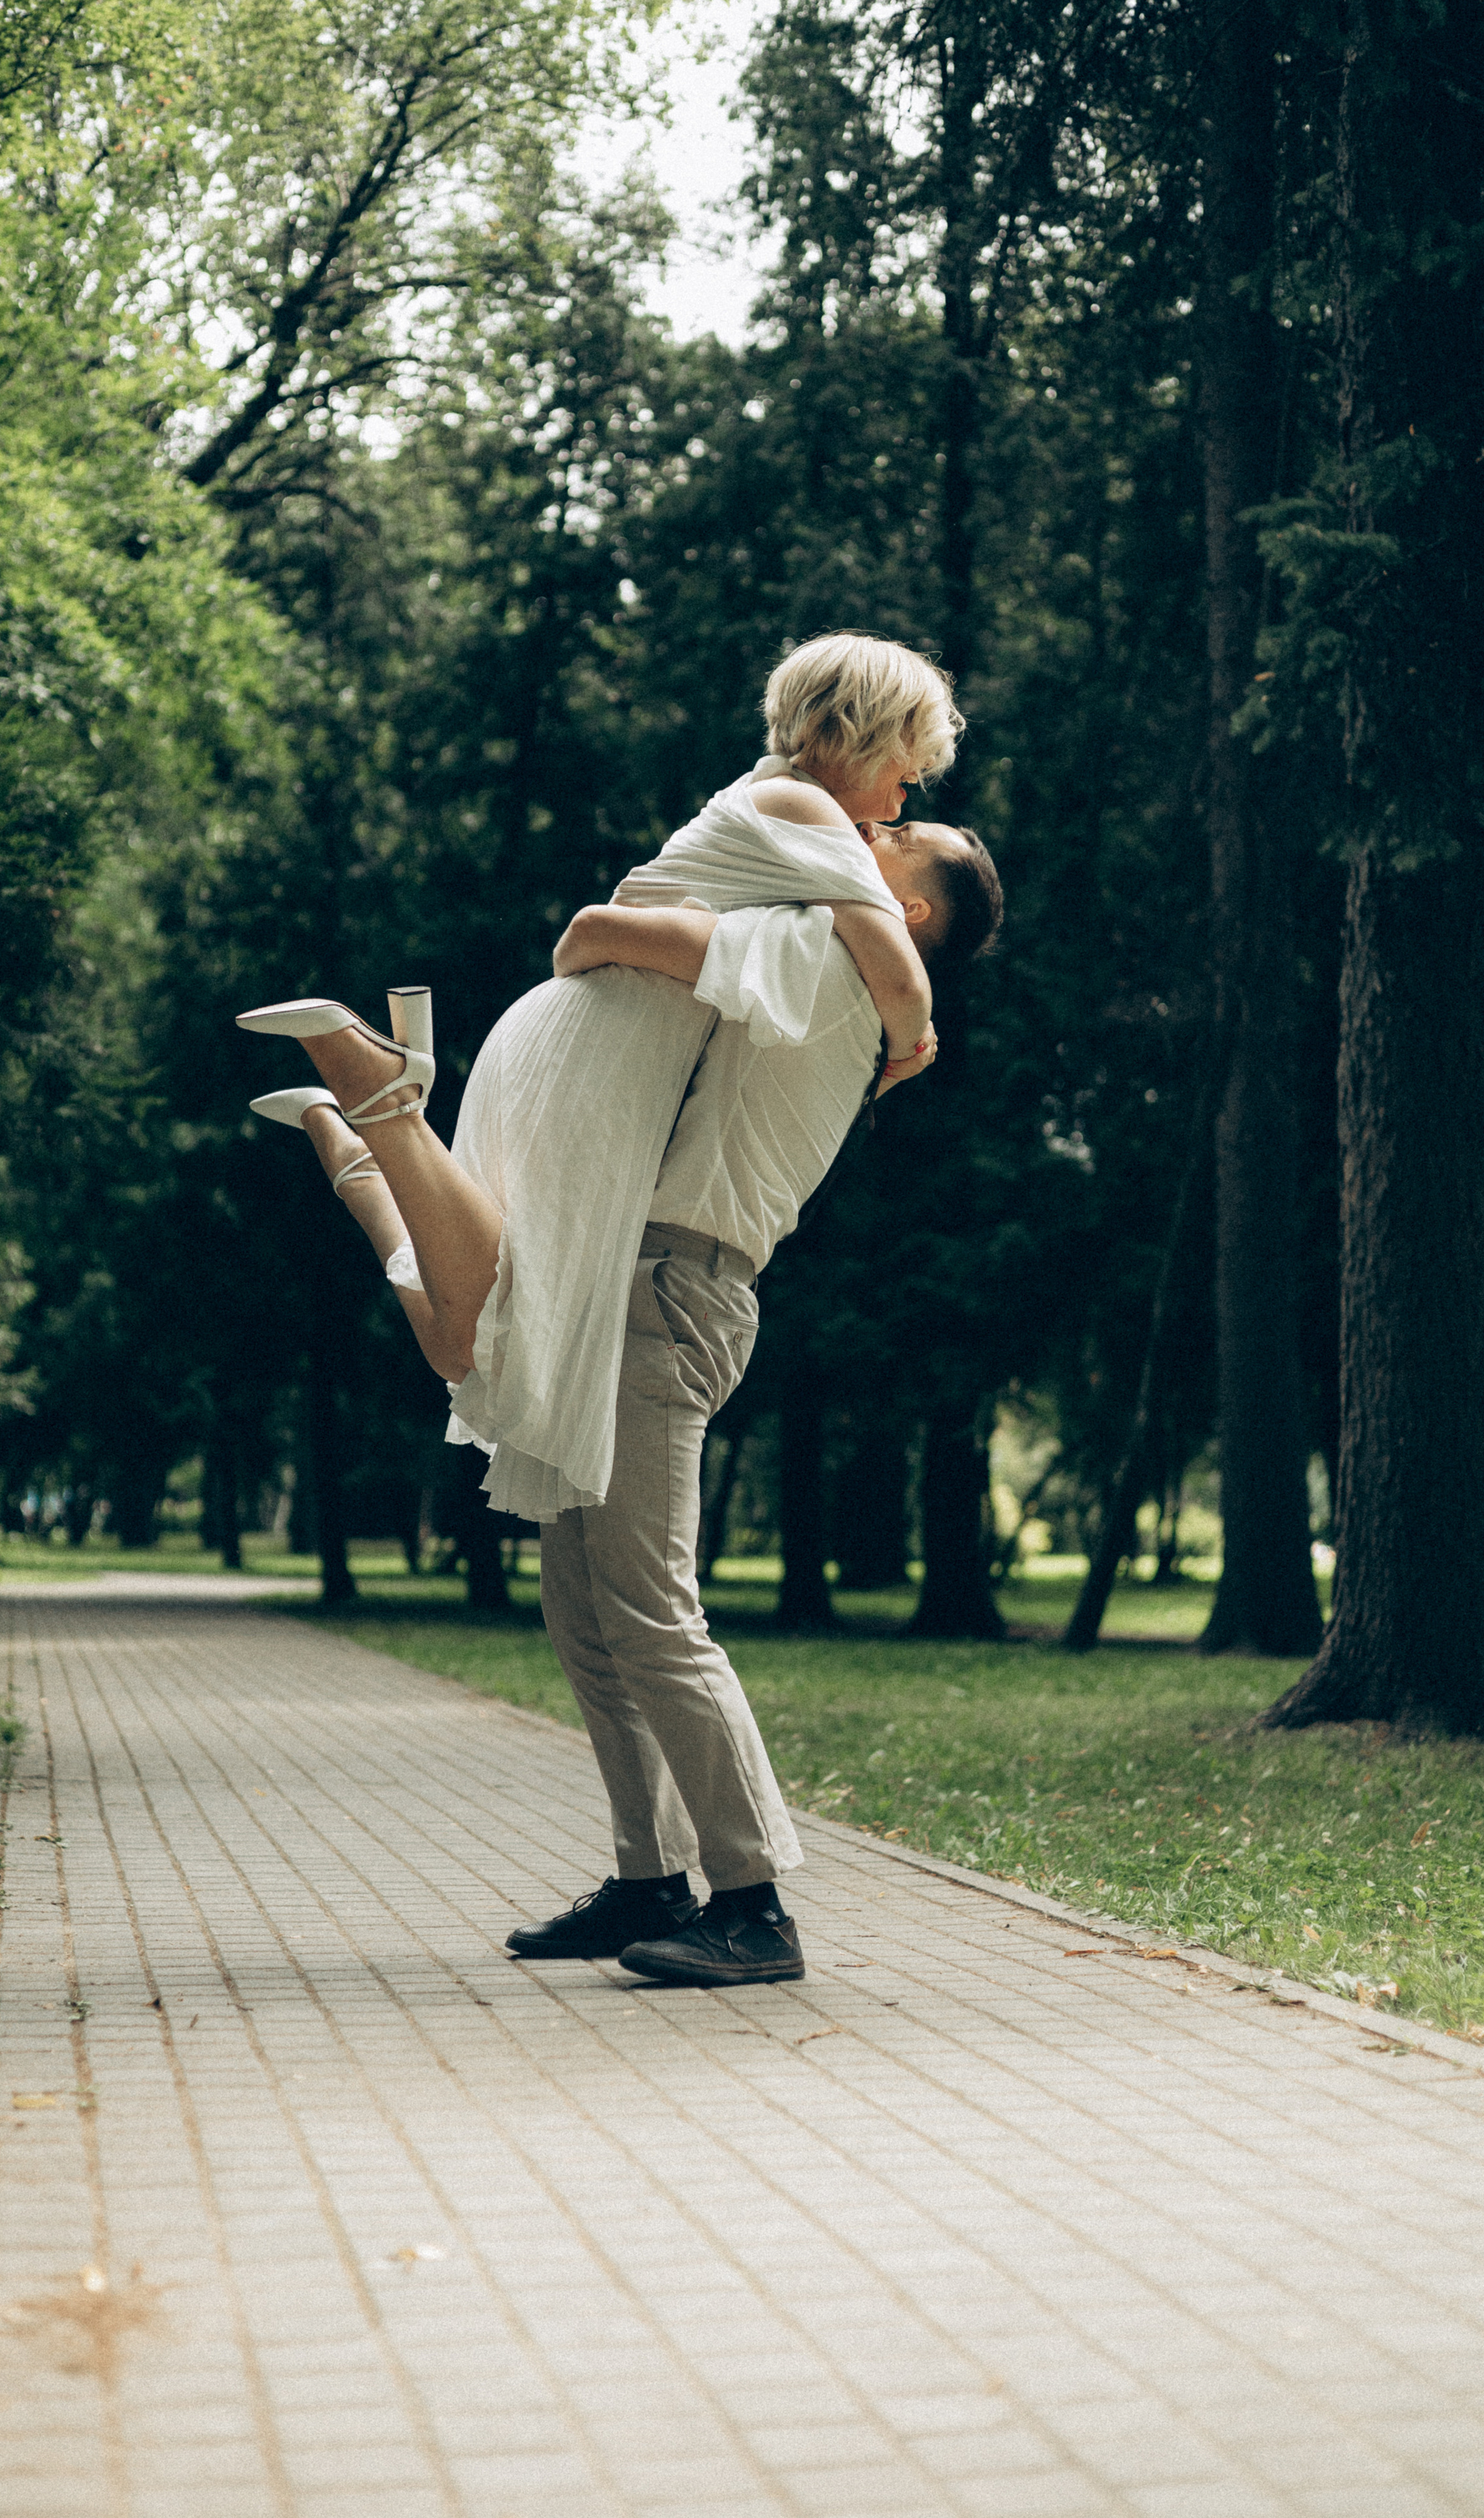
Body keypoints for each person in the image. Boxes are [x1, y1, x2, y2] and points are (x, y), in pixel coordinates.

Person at [240, 636, 1004, 1985]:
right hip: (639, 1272)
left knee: (646, 1608)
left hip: (673, 1288)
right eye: (891, 800)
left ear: (919, 912)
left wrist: (895, 1004)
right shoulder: (809, 923)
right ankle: (646, 1877)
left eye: (898, 845)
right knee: (586, 1612)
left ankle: (755, 1905)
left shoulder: (817, 952)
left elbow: (616, 935)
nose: (872, 834)